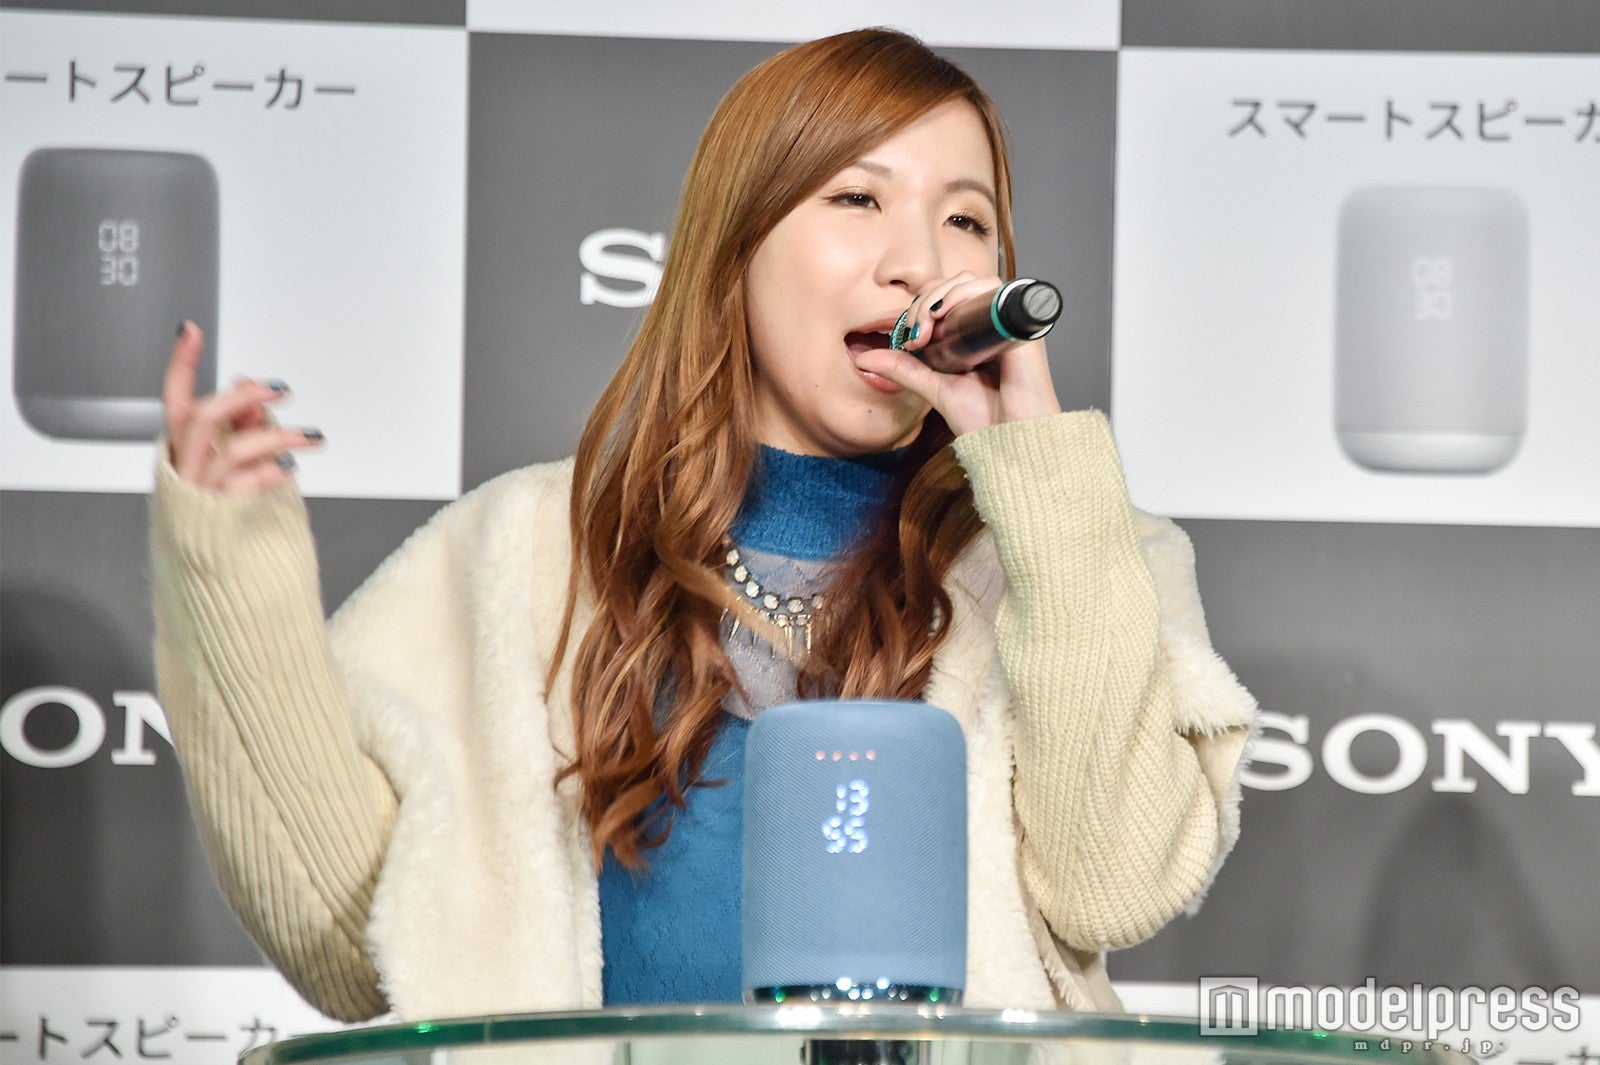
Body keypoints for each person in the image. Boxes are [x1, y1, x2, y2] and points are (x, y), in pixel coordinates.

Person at [150, 28, 1257, 1024]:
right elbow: (352, 951)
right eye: (857, 199)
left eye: (965, 218)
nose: (919, 262)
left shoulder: (1093, 557)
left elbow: (1113, 889)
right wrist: (236, 580)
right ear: (737, 243)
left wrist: (1041, 486)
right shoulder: (526, 551)